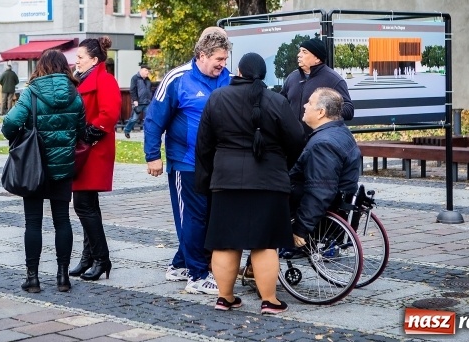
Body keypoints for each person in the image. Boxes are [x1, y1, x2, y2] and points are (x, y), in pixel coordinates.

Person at [196, 53, 305, 314]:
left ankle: (225, 298)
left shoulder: (217, 98)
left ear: (239, 71)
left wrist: (206, 180)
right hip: (269, 181)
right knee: (265, 243)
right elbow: (297, 139)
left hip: (226, 180)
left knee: (225, 242)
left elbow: (203, 145)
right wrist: (282, 163)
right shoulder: (277, 101)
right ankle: (270, 301)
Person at [143, 27, 231, 294]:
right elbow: (153, 119)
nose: (222, 64)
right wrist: (153, 156)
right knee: (193, 218)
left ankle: (179, 265)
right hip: (186, 163)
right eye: (218, 59)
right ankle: (197, 275)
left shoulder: (228, 78)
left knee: (209, 217)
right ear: (202, 55)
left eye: (225, 59)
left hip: (218, 165)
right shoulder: (177, 78)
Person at [1, 50, 86, 294]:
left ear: (42, 67)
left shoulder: (32, 92)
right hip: (63, 167)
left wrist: (18, 134)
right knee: (62, 221)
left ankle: (33, 278)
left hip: (33, 165)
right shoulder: (74, 93)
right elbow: (81, 130)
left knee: (33, 223)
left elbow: (9, 124)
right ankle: (62, 277)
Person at [69, 37, 121, 281]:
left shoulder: (104, 79)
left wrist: (89, 136)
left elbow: (109, 113)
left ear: (94, 59)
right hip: (87, 149)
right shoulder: (86, 78)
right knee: (88, 206)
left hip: (94, 151)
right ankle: (88, 257)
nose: (76, 61)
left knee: (84, 205)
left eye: (80, 57)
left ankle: (102, 259)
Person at [290, 88, 361, 246]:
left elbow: (319, 190)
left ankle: (256, 266)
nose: (304, 106)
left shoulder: (323, 144)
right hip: (339, 202)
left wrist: (301, 229)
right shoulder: (341, 132)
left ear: (321, 112)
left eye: (309, 103)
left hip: (313, 211)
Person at [281, 37, 353, 137]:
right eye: (300, 51)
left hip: (320, 141)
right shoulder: (292, 77)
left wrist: (324, 111)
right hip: (291, 143)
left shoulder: (334, 80)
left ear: (317, 58)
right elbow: (281, 103)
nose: (299, 55)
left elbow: (349, 109)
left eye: (304, 52)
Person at [123, 64, 152, 138]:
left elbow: (149, 90)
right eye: (146, 70)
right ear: (141, 70)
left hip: (147, 102)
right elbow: (132, 90)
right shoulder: (135, 78)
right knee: (134, 119)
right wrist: (135, 100)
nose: (147, 72)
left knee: (149, 118)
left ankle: (148, 133)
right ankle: (127, 130)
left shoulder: (148, 80)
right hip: (138, 103)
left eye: (148, 71)